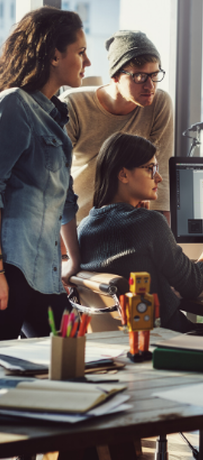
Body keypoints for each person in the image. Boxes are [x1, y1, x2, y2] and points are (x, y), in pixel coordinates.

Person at [78, 132, 203, 333]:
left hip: (120, 344)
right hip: (167, 341)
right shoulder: (149, 223)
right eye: (151, 169)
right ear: (123, 174)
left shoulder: (85, 226)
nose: (159, 178)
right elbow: (193, 285)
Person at [0, 7, 90, 340]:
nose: (87, 62)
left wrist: (75, 263)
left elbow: (65, 201)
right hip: (11, 269)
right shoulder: (14, 105)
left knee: (73, 352)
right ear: (54, 55)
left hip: (46, 274)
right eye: (81, 52)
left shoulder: (57, 117)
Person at [61, 30, 173, 222]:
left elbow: (161, 174)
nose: (150, 86)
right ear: (115, 76)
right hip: (79, 223)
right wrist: (65, 238)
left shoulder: (159, 103)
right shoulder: (74, 105)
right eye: (139, 77)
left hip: (129, 224)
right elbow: (58, 180)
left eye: (154, 75)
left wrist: (162, 237)